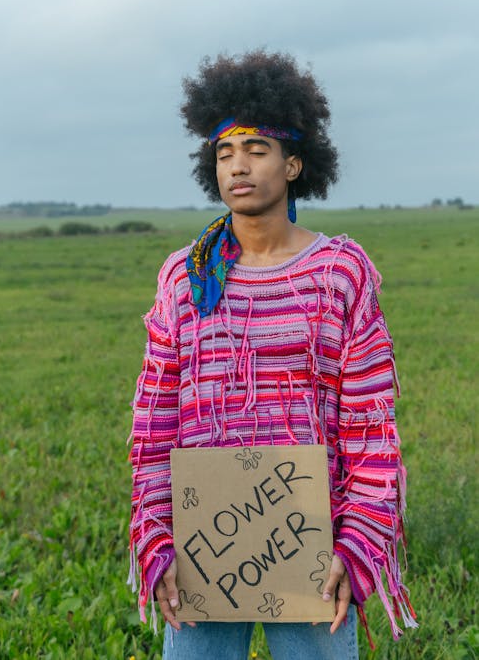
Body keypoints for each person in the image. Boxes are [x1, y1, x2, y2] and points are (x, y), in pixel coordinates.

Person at [128, 50, 417, 659]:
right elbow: (153, 423)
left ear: (293, 164)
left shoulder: (340, 272)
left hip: (311, 543)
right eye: (225, 153)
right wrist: (157, 540)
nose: (239, 166)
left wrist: (358, 541)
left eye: (257, 150)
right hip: (203, 542)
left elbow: (370, 422)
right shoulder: (186, 277)